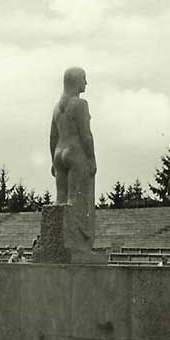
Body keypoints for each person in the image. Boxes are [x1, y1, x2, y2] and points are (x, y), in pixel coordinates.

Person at [49, 66, 97, 258]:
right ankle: (75, 245)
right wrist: (92, 158)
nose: (86, 83)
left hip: (59, 153)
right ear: (76, 81)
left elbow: (52, 136)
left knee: (60, 198)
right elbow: (86, 135)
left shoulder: (57, 107)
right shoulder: (80, 104)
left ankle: (57, 243)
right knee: (76, 199)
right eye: (84, 79)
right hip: (76, 153)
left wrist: (53, 159)